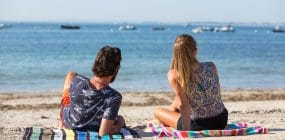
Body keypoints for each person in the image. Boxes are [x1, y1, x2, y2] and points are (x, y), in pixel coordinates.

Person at [154, 34, 228, 131]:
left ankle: (166, 122)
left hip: (198, 124)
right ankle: (170, 120)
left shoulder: (174, 74)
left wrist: (186, 132)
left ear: (175, 53)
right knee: (177, 100)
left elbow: (184, 106)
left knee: (158, 111)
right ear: (195, 51)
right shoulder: (211, 66)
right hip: (221, 120)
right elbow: (214, 94)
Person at [59, 46, 125, 136]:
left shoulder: (77, 80)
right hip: (92, 127)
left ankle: (62, 117)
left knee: (71, 75)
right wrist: (119, 124)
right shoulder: (114, 96)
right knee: (117, 118)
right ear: (116, 69)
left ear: (96, 63)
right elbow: (103, 134)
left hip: (68, 122)